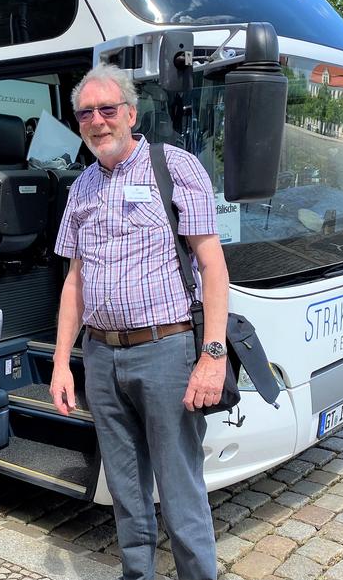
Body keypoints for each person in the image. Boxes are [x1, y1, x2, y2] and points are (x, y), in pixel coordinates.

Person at [49, 66, 229, 580]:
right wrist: (63, 362)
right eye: (87, 113)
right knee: (126, 491)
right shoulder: (81, 185)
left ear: (131, 113)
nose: (98, 121)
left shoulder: (175, 167)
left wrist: (211, 356)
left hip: (166, 351)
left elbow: (213, 266)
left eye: (108, 110)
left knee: (180, 492)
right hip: (102, 357)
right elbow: (74, 283)